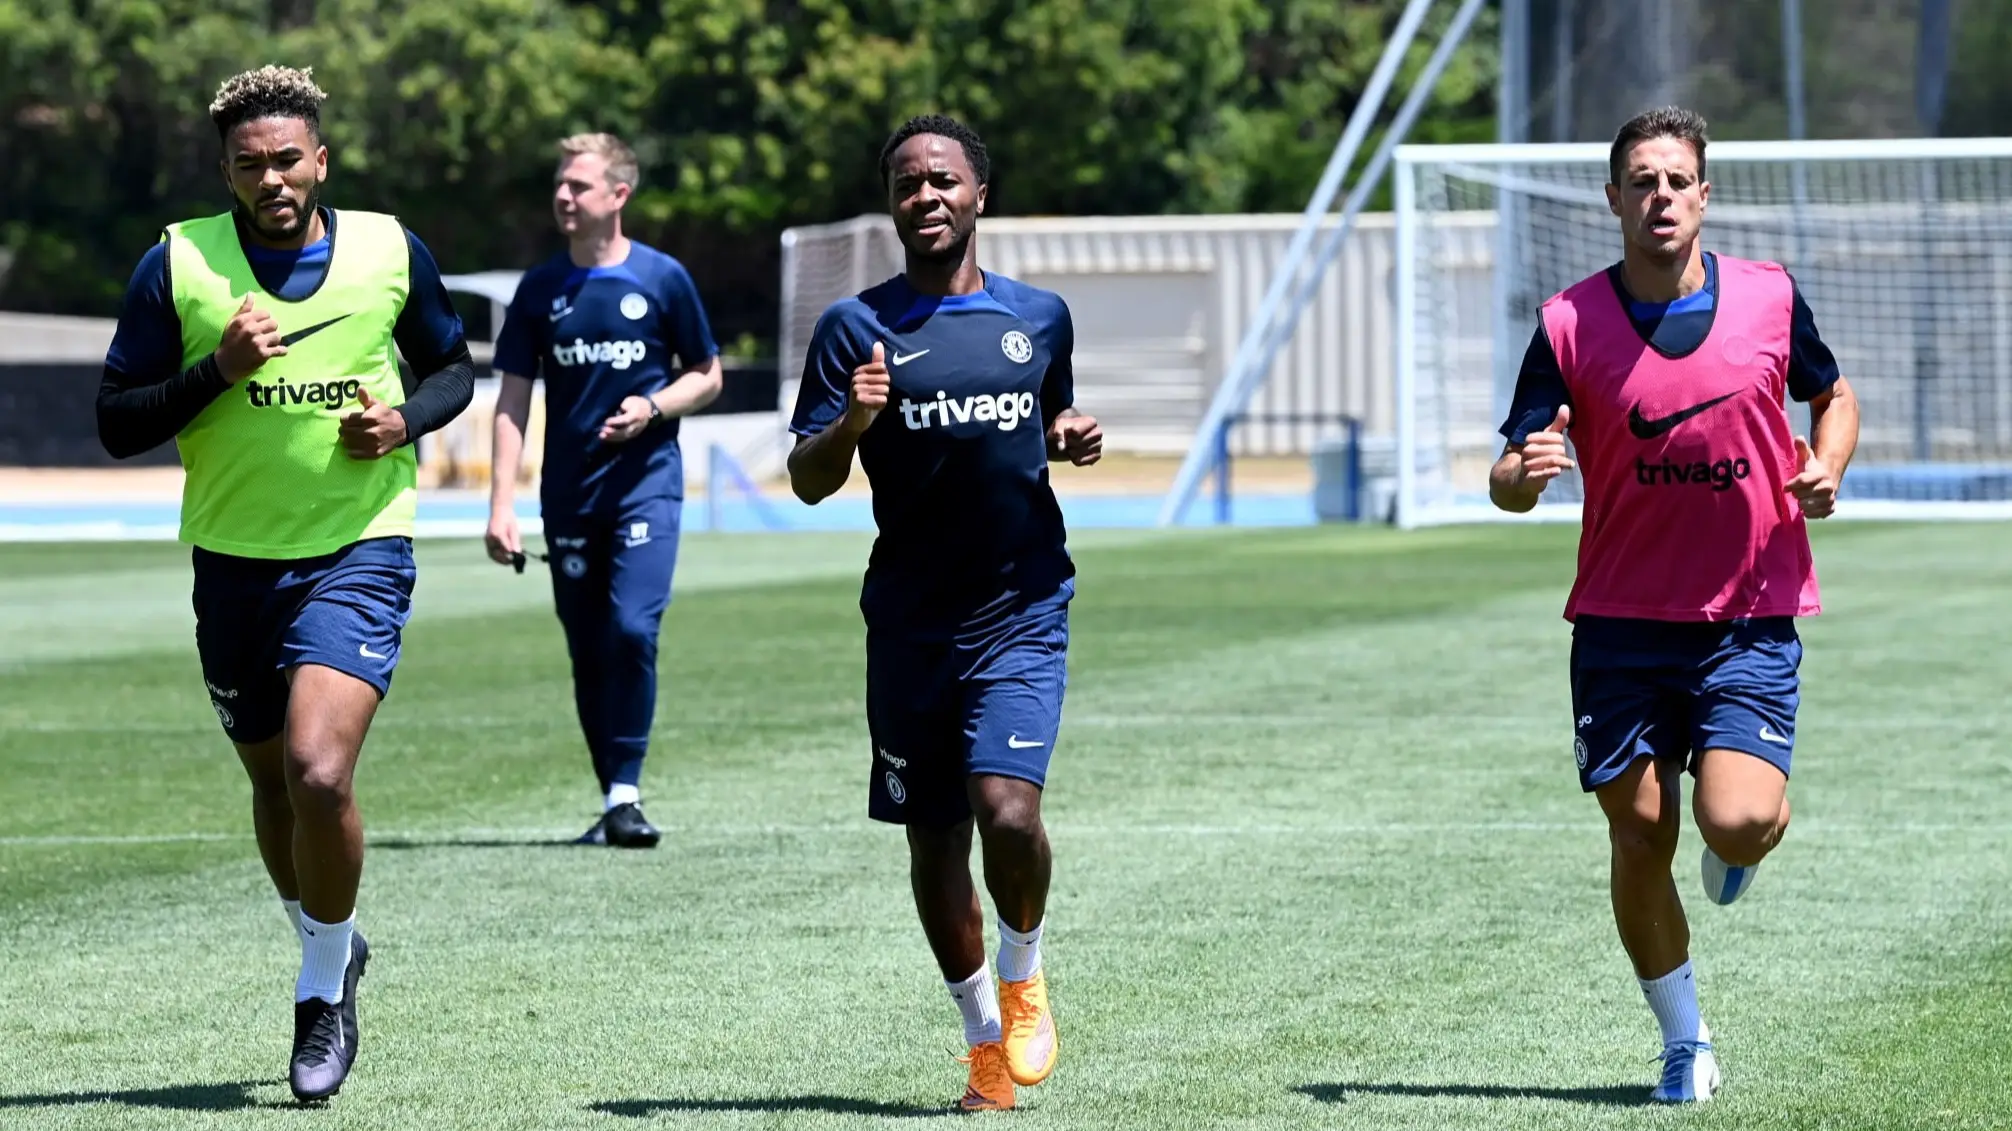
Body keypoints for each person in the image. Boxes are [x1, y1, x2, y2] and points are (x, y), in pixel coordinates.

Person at [94, 65, 475, 1102]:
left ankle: (319, 994)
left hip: (360, 545)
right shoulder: (178, 263)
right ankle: (335, 944)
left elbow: (453, 369)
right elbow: (116, 420)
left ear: (320, 159)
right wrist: (214, 371)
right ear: (226, 168)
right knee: (270, 785)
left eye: (287, 159)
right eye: (249, 164)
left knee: (316, 771)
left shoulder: (390, 249)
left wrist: (404, 421)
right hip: (231, 561)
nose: (271, 178)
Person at [1489, 106, 1860, 1103]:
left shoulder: (1770, 299)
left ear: (1702, 195)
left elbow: (1831, 395)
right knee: (1636, 833)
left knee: (1733, 823)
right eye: (1640, 181)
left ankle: (1742, 845)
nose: (1659, 195)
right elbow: (1508, 471)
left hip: (1745, 614)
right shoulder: (1566, 323)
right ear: (1612, 200)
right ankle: (1681, 1040)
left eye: (1675, 179)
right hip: (1617, 624)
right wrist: (1519, 475)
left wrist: (1824, 466)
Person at [787, 114, 1103, 1112]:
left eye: (941, 181)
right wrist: (852, 420)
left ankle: (1023, 970)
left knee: (1006, 811)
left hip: (1020, 606)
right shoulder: (852, 329)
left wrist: (1067, 431)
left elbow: (1045, 413)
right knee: (932, 841)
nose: (923, 196)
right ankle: (980, 1048)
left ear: (978, 196)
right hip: (911, 623)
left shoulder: (1038, 316)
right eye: (906, 185)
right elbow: (804, 479)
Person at [484, 133, 723, 848]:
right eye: (560, 184)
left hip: (647, 486)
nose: (563, 195)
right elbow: (512, 401)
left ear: (619, 195)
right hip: (568, 496)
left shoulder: (663, 278)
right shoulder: (539, 290)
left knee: (630, 628)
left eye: (579, 186)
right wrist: (501, 503)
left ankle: (628, 788)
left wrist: (654, 406)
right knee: (588, 647)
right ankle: (615, 801)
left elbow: (707, 373)